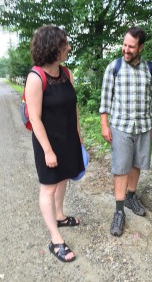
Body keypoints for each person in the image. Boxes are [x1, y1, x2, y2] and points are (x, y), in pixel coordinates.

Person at [25, 25, 84, 262]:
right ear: (53, 47)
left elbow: (74, 106)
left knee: (64, 178)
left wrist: (79, 134)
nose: (68, 48)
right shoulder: (36, 77)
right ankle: (55, 239)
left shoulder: (66, 73)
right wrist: (48, 151)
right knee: (48, 187)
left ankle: (60, 215)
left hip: (68, 138)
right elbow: (34, 118)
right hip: (47, 142)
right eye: (64, 44)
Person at [99, 27, 152, 237]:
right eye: (124, 45)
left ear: (141, 47)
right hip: (121, 126)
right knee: (120, 167)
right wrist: (104, 124)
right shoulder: (114, 67)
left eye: (131, 46)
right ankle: (119, 212)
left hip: (144, 126)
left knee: (137, 163)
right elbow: (105, 98)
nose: (126, 49)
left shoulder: (150, 69)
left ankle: (131, 197)